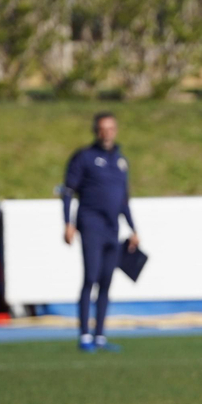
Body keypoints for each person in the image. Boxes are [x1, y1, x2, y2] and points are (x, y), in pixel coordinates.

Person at [62, 112, 138, 353]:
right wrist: (68, 223)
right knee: (91, 277)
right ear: (96, 131)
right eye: (103, 129)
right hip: (91, 224)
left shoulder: (120, 161)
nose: (107, 133)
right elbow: (68, 191)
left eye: (111, 128)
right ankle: (84, 335)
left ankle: (101, 335)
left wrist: (134, 228)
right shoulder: (84, 157)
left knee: (106, 281)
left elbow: (123, 199)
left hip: (112, 227)